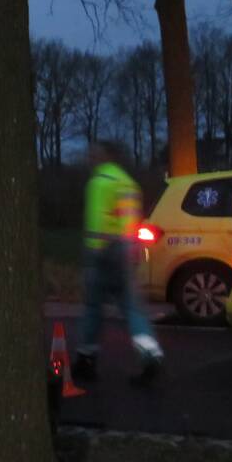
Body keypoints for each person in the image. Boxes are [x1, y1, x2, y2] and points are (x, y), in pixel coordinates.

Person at [74, 141, 164, 385]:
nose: (89, 159)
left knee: (93, 307)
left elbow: (96, 224)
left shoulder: (99, 183)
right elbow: (130, 221)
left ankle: (86, 360)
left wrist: (92, 255)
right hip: (127, 251)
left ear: (102, 157)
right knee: (133, 308)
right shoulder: (128, 183)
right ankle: (150, 354)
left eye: (92, 155)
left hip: (103, 254)